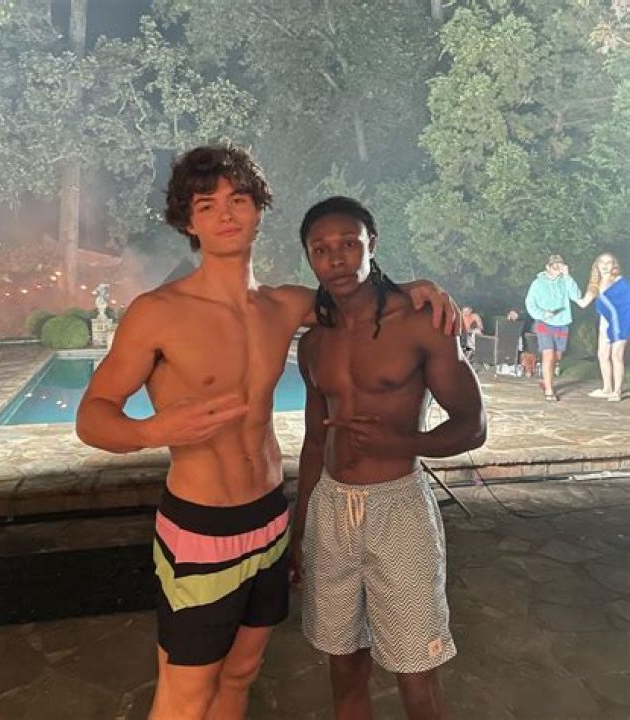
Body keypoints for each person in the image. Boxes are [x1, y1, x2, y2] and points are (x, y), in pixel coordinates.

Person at [75, 144, 457, 720]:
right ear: (188, 222)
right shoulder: (158, 312)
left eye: (238, 199)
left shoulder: (287, 305)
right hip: (200, 528)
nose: (226, 214)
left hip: (269, 523)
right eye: (206, 205)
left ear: (258, 209)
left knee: (241, 675)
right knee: (184, 697)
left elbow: (360, 293)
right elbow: (92, 416)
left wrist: (416, 287)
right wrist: (155, 428)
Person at [289, 197, 486, 720]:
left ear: (371, 245)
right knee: (343, 665)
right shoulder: (314, 344)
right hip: (331, 508)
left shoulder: (421, 324)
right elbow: (314, 442)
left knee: (415, 673)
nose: (336, 258)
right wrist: (299, 527)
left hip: (398, 507)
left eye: (349, 244)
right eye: (320, 249)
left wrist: (401, 444)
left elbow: (473, 425)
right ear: (309, 257)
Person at [524, 254, 582, 400]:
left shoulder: (565, 281)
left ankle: (546, 380)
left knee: (557, 356)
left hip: (562, 323)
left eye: (560, 265)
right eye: (554, 265)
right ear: (547, 267)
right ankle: (549, 390)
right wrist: (542, 314)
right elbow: (530, 303)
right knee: (548, 353)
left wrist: (568, 276)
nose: (557, 268)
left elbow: (577, 296)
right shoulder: (538, 283)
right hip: (544, 323)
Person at [576, 252, 630, 401]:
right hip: (604, 324)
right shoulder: (595, 285)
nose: (605, 265)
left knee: (616, 356)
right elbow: (583, 303)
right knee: (602, 355)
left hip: (620, 323)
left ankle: (617, 391)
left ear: (614, 265)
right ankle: (607, 388)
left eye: (609, 262)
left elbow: (627, 304)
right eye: (602, 262)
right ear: (597, 265)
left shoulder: (620, 282)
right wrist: (567, 282)